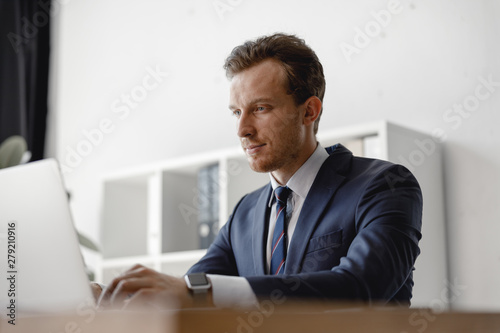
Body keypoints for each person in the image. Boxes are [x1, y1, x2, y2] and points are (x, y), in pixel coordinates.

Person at [97, 33, 422, 310]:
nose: (242, 129)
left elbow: (359, 289)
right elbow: (196, 281)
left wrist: (200, 291)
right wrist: (123, 298)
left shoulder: (386, 185)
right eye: (236, 112)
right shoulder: (246, 212)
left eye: (260, 109)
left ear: (309, 111)